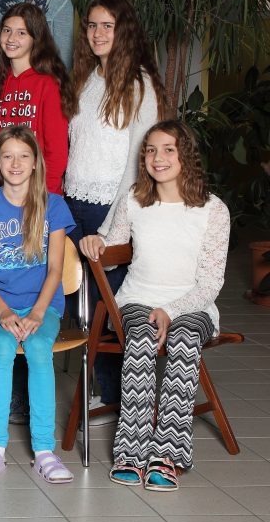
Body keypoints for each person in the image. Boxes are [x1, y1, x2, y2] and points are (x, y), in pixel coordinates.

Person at [80, 120, 229, 491]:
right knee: (142, 336)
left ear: (186, 155)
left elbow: (211, 283)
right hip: (138, 299)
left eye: (168, 150)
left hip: (193, 305)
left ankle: (167, 456)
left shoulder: (213, 210)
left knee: (184, 339)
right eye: (150, 150)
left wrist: (172, 311)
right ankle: (131, 453)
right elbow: (112, 252)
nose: (157, 158)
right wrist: (97, 244)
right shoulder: (135, 199)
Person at [65, 0, 165, 414]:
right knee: (87, 303)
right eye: (92, 25)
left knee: (117, 306)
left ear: (124, 31)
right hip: (74, 203)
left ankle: (124, 400)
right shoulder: (86, 79)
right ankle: (106, 390)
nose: (98, 33)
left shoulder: (139, 84)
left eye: (107, 25)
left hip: (112, 206)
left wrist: (111, 227)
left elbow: (140, 162)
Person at [0, 126, 77, 484]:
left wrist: (39, 312)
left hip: (43, 305)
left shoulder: (53, 205)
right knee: (2, 345)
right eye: (8, 156)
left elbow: (55, 268)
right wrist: (3, 311)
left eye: (24, 156)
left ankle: (44, 451)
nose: (16, 163)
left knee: (39, 348)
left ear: (35, 162)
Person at [0, 2, 72, 194]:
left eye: (21, 33)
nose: (11, 38)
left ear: (36, 38)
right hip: (2, 193)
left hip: (38, 193)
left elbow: (57, 152)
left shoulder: (48, 84)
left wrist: (45, 195)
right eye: (7, 30)